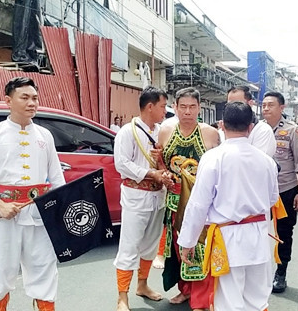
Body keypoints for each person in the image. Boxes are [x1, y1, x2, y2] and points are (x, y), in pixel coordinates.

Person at [0, 77, 65, 311]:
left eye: (35, 98)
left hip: (39, 214)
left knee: (44, 268)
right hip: (1, 215)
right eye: (25, 97)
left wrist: (58, 208)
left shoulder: (45, 135)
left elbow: (56, 174)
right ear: (8, 101)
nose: (32, 103)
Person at [177, 102, 279, 311]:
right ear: (251, 127)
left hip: (226, 239)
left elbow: (198, 204)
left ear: (222, 126)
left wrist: (188, 240)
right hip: (257, 237)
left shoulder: (213, 157)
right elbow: (272, 199)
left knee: (228, 301)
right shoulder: (266, 161)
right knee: (258, 300)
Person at [158, 87, 220, 311]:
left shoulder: (210, 133)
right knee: (178, 247)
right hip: (174, 200)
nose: (187, 112)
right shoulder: (165, 130)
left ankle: (201, 298)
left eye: (192, 107)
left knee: (201, 247)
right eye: (182, 107)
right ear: (175, 107)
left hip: (202, 202)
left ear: (199, 108)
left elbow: (219, 167)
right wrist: (163, 173)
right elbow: (161, 163)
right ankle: (186, 290)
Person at [113, 86, 173, 311]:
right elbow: (122, 164)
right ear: (150, 106)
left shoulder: (162, 131)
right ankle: (122, 296)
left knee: (149, 246)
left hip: (157, 196)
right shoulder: (127, 132)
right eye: (162, 106)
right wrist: (151, 173)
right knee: (129, 247)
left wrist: (161, 166)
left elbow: (166, 161)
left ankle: (142, 285)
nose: (164, 111)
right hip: (136, 196)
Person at [261, 91, 298, 293]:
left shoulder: (292, 130)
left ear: (282, 107)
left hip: (285, 189)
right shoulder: (256, 129)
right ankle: (258, 274)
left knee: (284, 233)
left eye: (270, 105)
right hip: (259, 192)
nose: (266, 109)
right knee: (256, 232)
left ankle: (281, 273)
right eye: (263, 105)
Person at [223, 85, 276, 157]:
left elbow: (260, 161)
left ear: (250, 103)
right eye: (230, 104)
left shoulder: (263, 130)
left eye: (239, 103)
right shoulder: (222, 130)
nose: (233, 107)